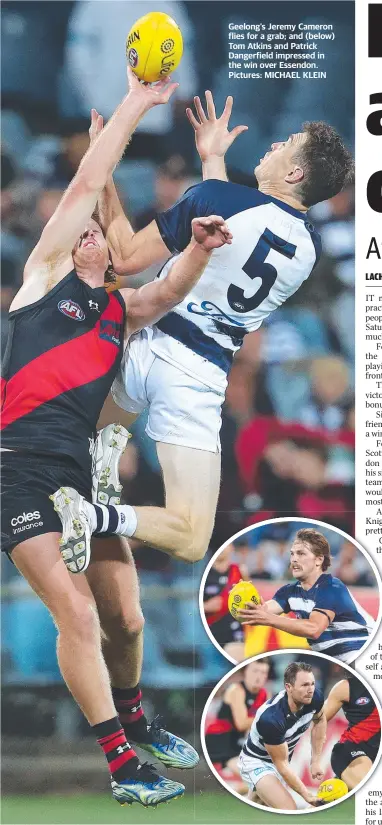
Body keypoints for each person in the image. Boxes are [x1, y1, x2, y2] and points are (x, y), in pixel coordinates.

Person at [0, 69, 233, 808]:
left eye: (102, 226)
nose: (96, 231)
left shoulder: (116, 313)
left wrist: (197, 246)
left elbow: (167, 291)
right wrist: (135, 104)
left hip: (79, 486)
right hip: (15, 471)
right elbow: (88, 184)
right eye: (88, 227)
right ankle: (122, 764)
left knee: (126, 617)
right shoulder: (41, 281)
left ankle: (136, 719)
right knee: (74, 609)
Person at [55, 91, 354, 572]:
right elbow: (234, 230)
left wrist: (104, 167)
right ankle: (94, 514)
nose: (275, 142)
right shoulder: (308, 249)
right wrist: (211, 159)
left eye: (288, 144)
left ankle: (88, 467)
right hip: (196, 377)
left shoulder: (220, 200)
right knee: (193, 538)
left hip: (137, 341)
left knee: (62, 446)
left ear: (295, 174)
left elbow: (127, 256)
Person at [237, 528, 374, 663]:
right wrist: (243, 593)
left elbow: (314, 629)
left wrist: (268, 618)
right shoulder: (289, 591)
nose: (294, 559)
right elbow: (259, 613)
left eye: (301, 554)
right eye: (292, 554)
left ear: (319, 560)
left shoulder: (332, 587)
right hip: (346, 662)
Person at [238, 661, 326, 810]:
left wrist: (315, 761)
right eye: (304, 685)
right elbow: (282, 765)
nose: (310, 689)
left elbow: (320, 721)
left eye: (312, 684)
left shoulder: (314, 697)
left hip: (280, 761)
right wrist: (307, 796)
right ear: (288, 687)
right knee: (289, 810)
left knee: (256, 811)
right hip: (257, 763)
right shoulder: (272, 718)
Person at [205, 660, 269, 791]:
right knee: (257, 781)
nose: (259, 676)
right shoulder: (237, 690)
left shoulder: (264, 694)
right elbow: (241, 723)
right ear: (245, 672)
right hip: (220, 738)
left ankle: (240, 790)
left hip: (237, 740)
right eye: (255, 671)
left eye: (263, 672)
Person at [324, 676, 381, 790]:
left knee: (326, 801)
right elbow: (319, 720)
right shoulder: (346, 687)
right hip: (352, 752)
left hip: (376, 757)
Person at [203, 544, 247, 660]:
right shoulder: (204, 574)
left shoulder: (240, 571)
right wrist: (205, 607)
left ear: (232, 547)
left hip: (234, 631)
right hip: (209, 630)